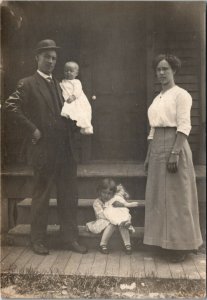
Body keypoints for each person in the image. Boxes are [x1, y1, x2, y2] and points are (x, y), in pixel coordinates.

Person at [5, 39, 87, 255]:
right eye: (46, 57)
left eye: (53, 58)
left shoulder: (60, 84)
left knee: (69, 194)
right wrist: (32, 129)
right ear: (37, 58)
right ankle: (37, 240)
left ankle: (69, 238)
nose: (50, 61)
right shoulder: (27, 83)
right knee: (41, 196)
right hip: (43, 149)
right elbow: (9, 107)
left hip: (65, 149)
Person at [143, 54, 203, 263]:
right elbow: (153, 129)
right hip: (157, 145)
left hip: (175, 143)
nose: (161, 73)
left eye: (165, 69)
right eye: (158, 69)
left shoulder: (181, 95)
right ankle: (162, 243)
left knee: (176, 197)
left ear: (174, 71)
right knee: (159, 196)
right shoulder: (157, 97)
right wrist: (149, 154)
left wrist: (175, 153)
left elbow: (184, 125)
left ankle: (180, 247)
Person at [86, 178, 137, 255]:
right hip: (104, 220)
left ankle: (127, 244)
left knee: (122, 222)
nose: (106, 195)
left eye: (109, 193)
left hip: (115, 218)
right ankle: (103, 244)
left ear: (113, 194)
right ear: (99, 191)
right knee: (113, 223)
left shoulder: (113, 199)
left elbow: (123, 196)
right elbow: (101, 215)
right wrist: (114, 218)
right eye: (104, 192)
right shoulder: (97, 202)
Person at [60, 61, 93, 135]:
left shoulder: (76, 82)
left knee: (81, 112)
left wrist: (73, 96)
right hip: (68, 100)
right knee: (69, 111)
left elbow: (78, 90)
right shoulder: (63, 81)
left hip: (77, 100)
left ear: (76, 73)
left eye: (71, 71)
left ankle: (84, 127)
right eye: (66, 71)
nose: (68, 73)